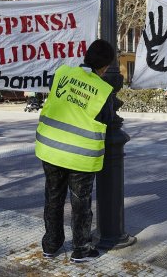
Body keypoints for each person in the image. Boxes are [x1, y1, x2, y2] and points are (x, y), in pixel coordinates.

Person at [36, 39, 115, 263]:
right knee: (80, 203)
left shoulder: (63, 73)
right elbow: (107, 120)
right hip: (80, 155)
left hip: (51, 148)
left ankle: (51, 245)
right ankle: (81, 249)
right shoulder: (103, 90)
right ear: (106, 66)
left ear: (86, 56)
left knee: (53, 198)